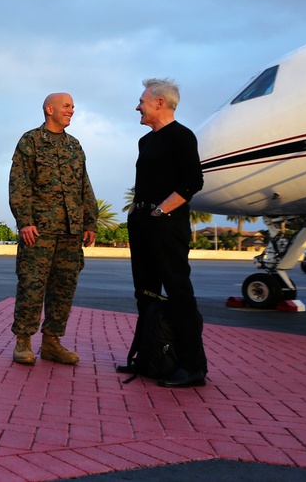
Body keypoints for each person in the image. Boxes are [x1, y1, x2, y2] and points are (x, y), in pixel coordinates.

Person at [123, 78, 208, 388]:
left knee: (178, 291)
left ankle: (193, 366)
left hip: (167, 225)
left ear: (159, 102)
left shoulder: (182, 137)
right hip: (142, 223)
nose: (138, 106)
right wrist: (137, 210)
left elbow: (192, 182)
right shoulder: (146, 141)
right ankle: (149, 358)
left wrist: (160, 211)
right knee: (144, 291)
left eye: (142, 101)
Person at [9, 92, 98, 365]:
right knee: (32, 287)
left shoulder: (75, 146)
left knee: (63, 289)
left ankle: (51, 343)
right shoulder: (31, 141)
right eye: (67, 106)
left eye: (72, 106)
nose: (72, 110)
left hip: (71, 232)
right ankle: (23, 342)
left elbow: (84, 184)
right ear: (50, 109)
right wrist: (25, 220)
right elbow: (19, 182)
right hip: (40, 230)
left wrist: (90, 221)